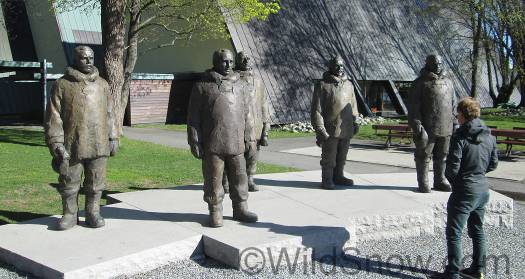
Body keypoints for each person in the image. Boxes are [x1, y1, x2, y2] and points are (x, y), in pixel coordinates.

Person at [45, 45, 118, 230]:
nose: (88, 61)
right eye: (84, 58)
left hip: (99, 142)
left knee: (95, 183)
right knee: (69, 183)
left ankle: (93, 212)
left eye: (91, 57)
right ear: (75, 59)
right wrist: (56, 143)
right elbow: (54, 116)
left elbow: (110, 113)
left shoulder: (102, 84)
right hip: (73, 143)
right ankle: (70, 214)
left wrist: (113, 137)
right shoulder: (62, 84)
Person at [187, 49, 258, 228]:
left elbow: (247, 113)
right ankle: (215, 210)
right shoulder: (202, 86)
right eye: (224, 62)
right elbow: (193, 117)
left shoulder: (241, 85)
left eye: (231, 62)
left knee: (240, 176)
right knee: (213, 178)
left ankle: (240, 208)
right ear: (215, 62)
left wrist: (250, 137)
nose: (228, 65)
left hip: (236, 142)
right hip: (213, 143)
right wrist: (194, 140)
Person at [429, 97, 498, 279]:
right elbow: (493, 164)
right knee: (477, 230)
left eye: (457, 113)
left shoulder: (460, 137)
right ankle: (478, 269)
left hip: (465, 190)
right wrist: (478, 173)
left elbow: (452, 168)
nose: (456, 117)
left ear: (463, 114)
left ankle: (453, 273)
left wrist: (457, 183)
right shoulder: (490, 136)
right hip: (483, 189)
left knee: (454, 233)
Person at [408, 54, 457, 193]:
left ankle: (440, 180)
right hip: (427, 127)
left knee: (442, 155)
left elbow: (453, 103)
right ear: (428, 64)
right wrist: (417, 124)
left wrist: (454, 122)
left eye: (440, 63)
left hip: (445, 125)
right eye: (435, 63)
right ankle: (423, 182)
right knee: (423, 155)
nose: (438, 66)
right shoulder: (419, 83)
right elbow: (413, 106)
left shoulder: (449, 82)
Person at [223, 51, 270, 193]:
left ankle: (249, 179)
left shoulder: (258, 81)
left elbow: (264, 104)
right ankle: (226, 180)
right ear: (237, 61)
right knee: (232, 155)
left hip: (255, 124)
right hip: (237, 124)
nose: (246, 60)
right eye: (243, 58)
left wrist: (266, 126)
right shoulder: (232, 79)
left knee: (252, 155)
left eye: (248, 57)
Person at [311, 55, 359, 189]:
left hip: (346, 127)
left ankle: (338, 176)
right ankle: (327, 179)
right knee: (329, 157)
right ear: (330, 67)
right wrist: (319, 128)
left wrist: (355, 121)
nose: (340, 68)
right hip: (330, 128)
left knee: (342, 156)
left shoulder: (349, 85)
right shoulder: (322, 85)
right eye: (337, 65)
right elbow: (316, 109)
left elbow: (353, 104)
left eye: (342, 65)